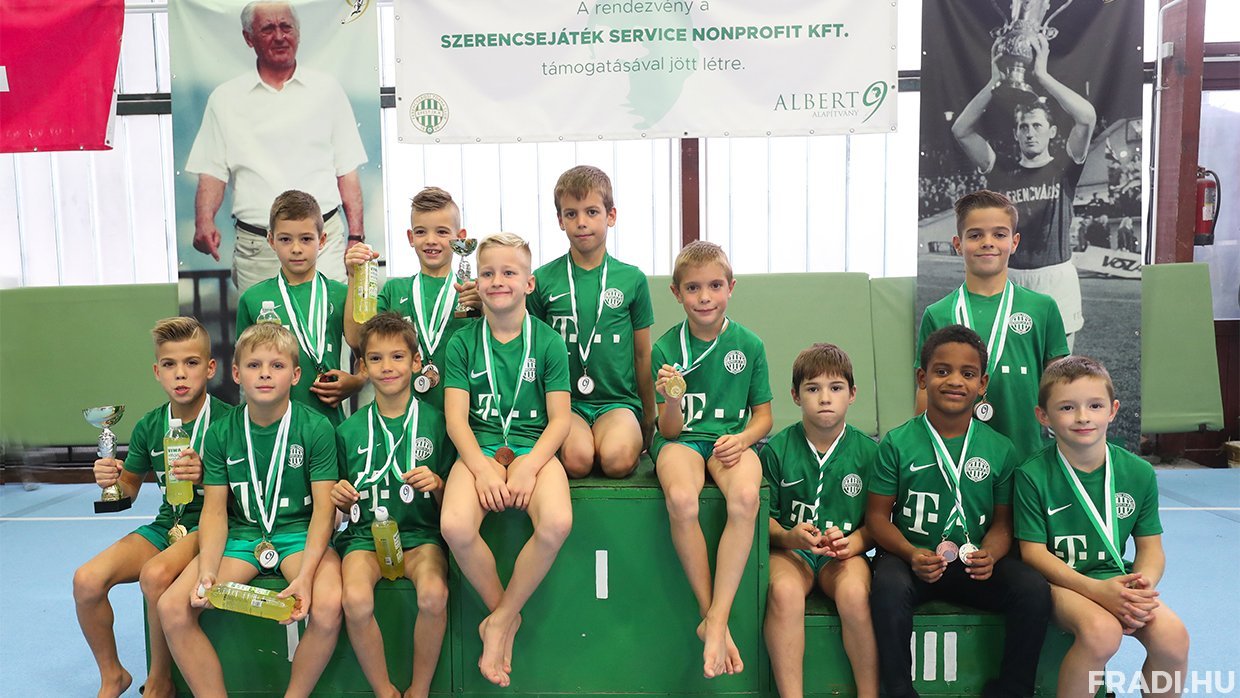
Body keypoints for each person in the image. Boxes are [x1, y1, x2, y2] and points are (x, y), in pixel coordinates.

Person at [159, 323, 342, 698]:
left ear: (295, 375)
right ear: (237, 373)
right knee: (172, 607)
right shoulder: (221, 432)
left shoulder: (316, 428)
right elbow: (214, 512)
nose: (265, 374)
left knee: (328, 606)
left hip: (299, 536)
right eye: (254, 365)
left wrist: (307, 576)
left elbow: (324, 511)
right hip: (243, 537)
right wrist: (208, 571)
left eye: (277, 366)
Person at [868, 325, 1051, 698]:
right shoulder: (897, 443)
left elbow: (1003, 524)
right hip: (912, 561)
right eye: (942, 371)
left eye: (967, 374)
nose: (954, 381)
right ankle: (899, 690)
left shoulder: (1000, 449)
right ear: (922, 378)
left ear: (982, 384)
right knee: (887, 587)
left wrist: (991, 555)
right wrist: (911, 553)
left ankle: (1012, 691)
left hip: (972, 564)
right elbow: (876, 518)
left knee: (1033, 590)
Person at [439, 233, 573, 688]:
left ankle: (497, 621)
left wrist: (531, 466)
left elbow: (560, 420)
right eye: (488, 273)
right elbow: (456, 420)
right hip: (479, 448)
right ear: (477, 282)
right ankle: (505, 616)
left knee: (556, 523)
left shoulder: (549, 342)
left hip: (533, 448)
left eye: (509, 273)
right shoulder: (462, 343)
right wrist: (479, 469)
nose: (498, 281)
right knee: (455, 526)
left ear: (529, 284)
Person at [75, 317, 230, 698]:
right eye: (170, 364)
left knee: (155, 574)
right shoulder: (149, 425)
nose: (181, 374)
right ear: (157, 372)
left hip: (212, 527)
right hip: (166, 526)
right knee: (86, 581)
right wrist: (112, 481)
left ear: (210, 368)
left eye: (191, 363)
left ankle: (160, 678)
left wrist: (206, 477)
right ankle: (113, 675)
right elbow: (129, 487)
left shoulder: (231, 421)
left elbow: (252, 495)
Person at [1016, 356, 1188, 697]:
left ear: (1113, 410)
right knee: (1101, 633)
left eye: (1095, 405)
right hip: (1060, 583)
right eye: (1067, 407)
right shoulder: (1031, 474)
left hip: (1116, 580)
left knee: (1173, 638)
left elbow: (1151, 548)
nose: (1083, 417)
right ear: (1043, 416)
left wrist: (1141, 587)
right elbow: (1032, 553)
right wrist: (1096, 591)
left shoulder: (1138, 473)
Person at [651, 240, 772, 679]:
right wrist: (669, 400)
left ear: (731, 287)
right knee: (682, 500)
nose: (705, 297)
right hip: (682, 442)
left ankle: (715, 621)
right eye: (693, 288)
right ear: (676, 293)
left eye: (715, 286)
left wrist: (743, 439)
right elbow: (669, 431)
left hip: (730, 441)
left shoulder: (749, 344)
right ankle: (714, 617)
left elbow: (764, 417)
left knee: (745, 499)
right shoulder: (665, 349)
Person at [185, 0, 367, 289]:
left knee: (328, 317)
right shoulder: (225, 98)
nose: (280, 36)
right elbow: (212, 171)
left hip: (323, 243)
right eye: (268, 29)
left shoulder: (328, 91)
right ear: (249, 38)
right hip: (258, 248)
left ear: (298, 33)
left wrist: (356, 236)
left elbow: (346, 170)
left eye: (286, 27)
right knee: (261, 320)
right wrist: (204, 221)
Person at [332, 313, 455, 698]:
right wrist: (339, 497)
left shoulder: (439, 423)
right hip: (364, 541)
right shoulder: (347, 431)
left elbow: (454, 503)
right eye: (376, 358)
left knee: (434, 595)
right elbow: (337, 507)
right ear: (362, 367)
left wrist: (438, 484)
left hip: (421, 537)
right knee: (354, 600)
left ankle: (419, 689)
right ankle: (383, 690)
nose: (387, 367)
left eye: (397, 357)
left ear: (416, 362)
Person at [952, 34, 1096, 347]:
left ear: (1052, 131)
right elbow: (961, 130)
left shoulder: (1065, 166)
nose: (1030, 133)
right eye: (1023, 127)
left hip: (1057, 274)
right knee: (1012, 362)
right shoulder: (1001, 170)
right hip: (1013, 276)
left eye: (1037, 126)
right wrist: (994, 82)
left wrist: (1042, 76)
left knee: (1059, 367)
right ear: (1016, 133)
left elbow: (1086, 117)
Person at [761, 343, 878, 698]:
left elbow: (879, 524)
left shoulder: (870, 453)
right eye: (813, 388)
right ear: (795, 396)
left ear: (852, 394)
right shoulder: (776, 450)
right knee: (783, 592)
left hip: (843, 556)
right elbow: (763, 521)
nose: (825, 398)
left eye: (835, 387)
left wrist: (852, 543)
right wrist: (788, 537)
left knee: (855, 594)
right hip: (792, 553)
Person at [917, 190, 1068, 460]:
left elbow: (1060, 387)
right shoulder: (938, 314)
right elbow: (925, 391)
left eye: (999, 234)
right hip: (955, 459)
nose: (988, 243)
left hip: (1026, 457)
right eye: (975, 235)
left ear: (1014, 242)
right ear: (958, 244)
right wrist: (921, 452)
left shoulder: (1042, 308)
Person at [526, 165, 656, 478]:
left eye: (592, 212)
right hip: (564, 404)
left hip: (618, 402)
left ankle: (613, 437)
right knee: (577, 460)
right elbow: (531, 352)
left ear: (611, 215)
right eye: (571, 214)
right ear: (560, 220)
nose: (581, 222)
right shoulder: (542, 280)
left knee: (617, 460)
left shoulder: (632, 279)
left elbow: (642, 355)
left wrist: (649, 417)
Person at [343, 186, 480, 411]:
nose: (431, 240)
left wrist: (487, 310)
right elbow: (356, 338)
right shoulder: (395, 290)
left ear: (460, 238)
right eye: (421, 232)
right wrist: (354, 277)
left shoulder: (473, 292)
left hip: (464, 415)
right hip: (405, 416)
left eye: (442, 232)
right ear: (411, 237)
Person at [236, 190, 364, 426]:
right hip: (270, 426)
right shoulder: (252, 299)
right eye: (285, 239)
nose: (296, 248)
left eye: (306, 239)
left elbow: (363, 353)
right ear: (271, 240)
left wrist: (356, 382)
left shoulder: (341, 294)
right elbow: (244, 369)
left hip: (328, 424)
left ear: (322, 240)